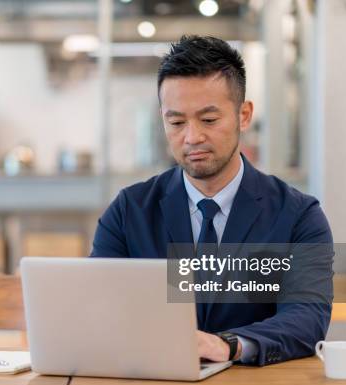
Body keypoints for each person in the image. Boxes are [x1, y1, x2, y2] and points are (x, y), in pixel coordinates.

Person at [90, 35, 333, 366]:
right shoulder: (129, 211)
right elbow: (98, 308)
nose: (192, 137)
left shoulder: (298, 216)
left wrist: (229, 345)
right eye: (176, 122)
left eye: (208, 120)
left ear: (243, 115)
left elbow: (307, 318)